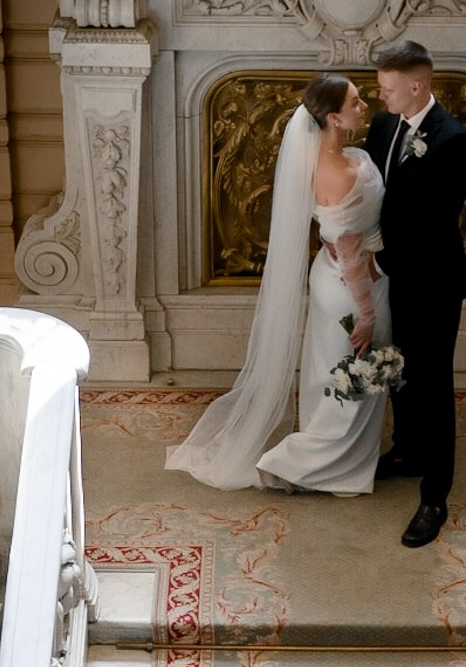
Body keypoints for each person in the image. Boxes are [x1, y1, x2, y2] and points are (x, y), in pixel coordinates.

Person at [165, 72, 391, 495]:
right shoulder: (338, 174)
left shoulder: (348, 157)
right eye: (356, 103)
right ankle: (304, 466)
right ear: (332, 118)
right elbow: (348, 251)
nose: (365, 107)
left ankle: (339, 464)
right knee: (351, 381)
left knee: (333, 375)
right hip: (351, 288)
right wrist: (365, 314)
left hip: (336, 278)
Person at [367, 35, 466, 548]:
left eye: (388, 88)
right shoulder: (385, 124)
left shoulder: (452, 141)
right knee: (399, 368)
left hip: (432, 281)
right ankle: (407, 450)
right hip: (392, 276)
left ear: (416, 85)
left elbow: (433, 224)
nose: (380, 96)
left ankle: (435, 494)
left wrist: (377, 259)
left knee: (434, 384)